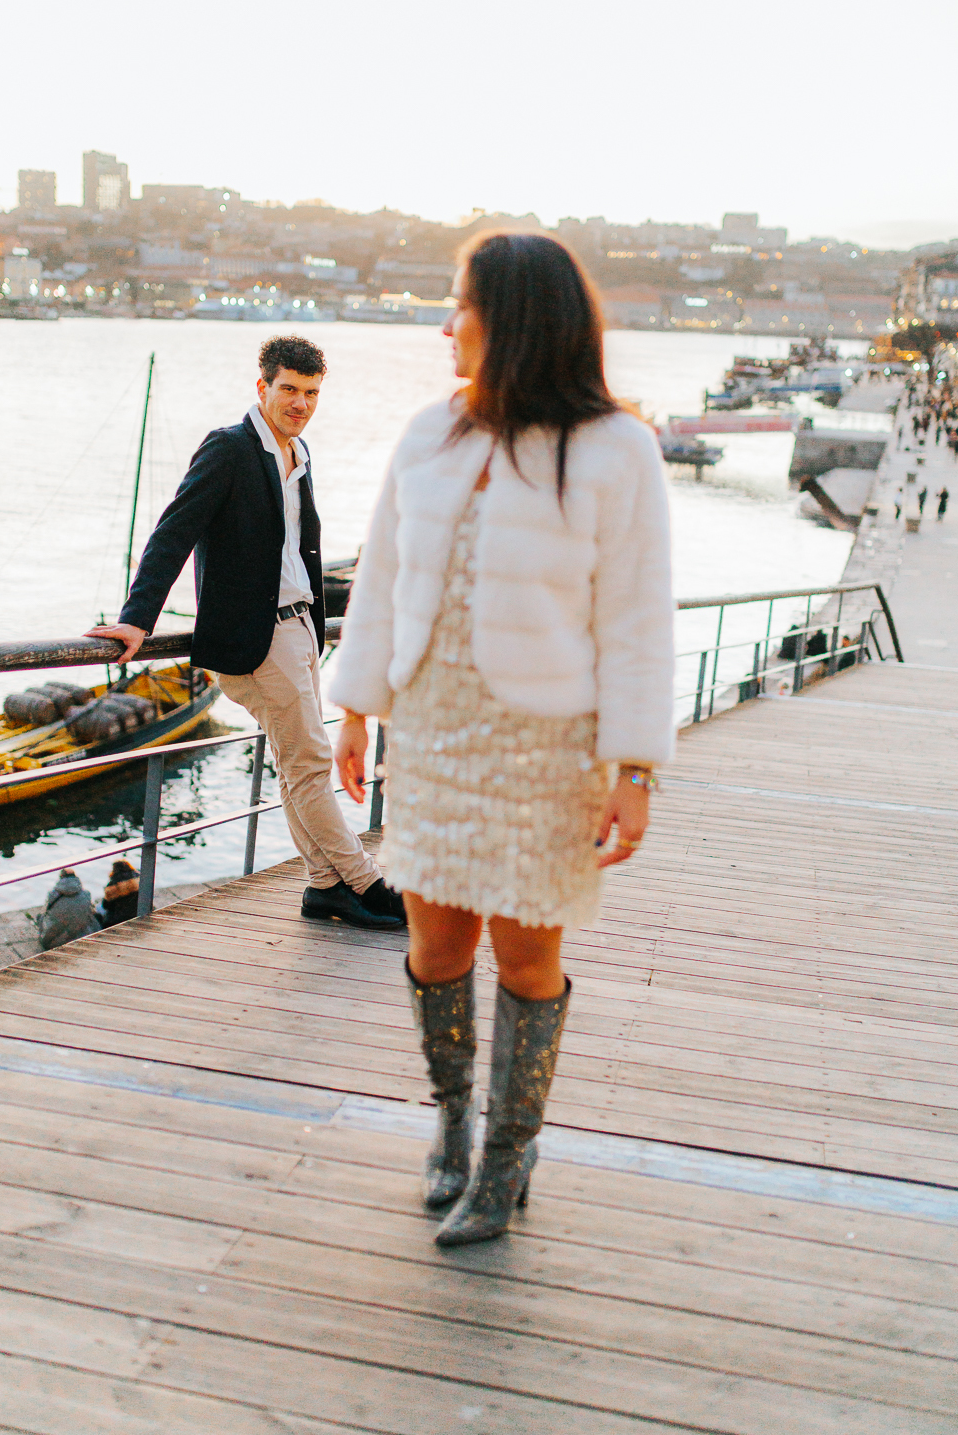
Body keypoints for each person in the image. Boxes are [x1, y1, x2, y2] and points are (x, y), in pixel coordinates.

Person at [331, 232, 675, 1246]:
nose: (446, 325)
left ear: (515, 318)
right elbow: (382, 579)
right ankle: (449, 1125)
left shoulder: (618, 451)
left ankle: (506, 1155)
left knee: (527, 958)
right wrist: (355, 707)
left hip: (547, 747)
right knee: (436, 947)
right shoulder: (426, 435)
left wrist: (636, 768)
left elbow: (638, 620)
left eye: (459, 306)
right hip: (434, 734)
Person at [86, 336, 403, 932]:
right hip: (258, 637)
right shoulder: (229, 449)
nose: (300, 403)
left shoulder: (298, 451)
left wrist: (317, 625)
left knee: (293, 764)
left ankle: (323, 886)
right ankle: (366, 883)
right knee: (309, 762)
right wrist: (138, 617)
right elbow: (173, 531)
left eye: (311, 393)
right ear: (262, 388)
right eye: (289, 390)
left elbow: (297, 546)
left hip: (301, 628)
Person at [39, 869, 99, 950]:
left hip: (54, 942)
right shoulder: (86, 894)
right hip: (81, 937)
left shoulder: (52, 895)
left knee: (41, 917)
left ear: (61, 877)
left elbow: (45, 912)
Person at [98, 858, 141, 928]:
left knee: (98, 909)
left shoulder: (113, 884)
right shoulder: (138, 879)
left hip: (118, 920)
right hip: (137, 914)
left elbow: (105, 905)